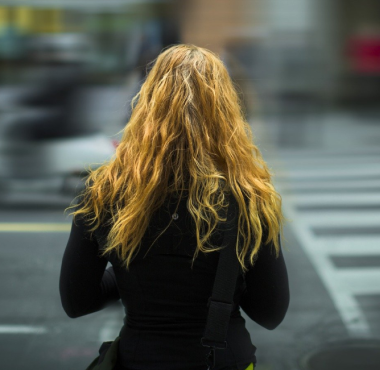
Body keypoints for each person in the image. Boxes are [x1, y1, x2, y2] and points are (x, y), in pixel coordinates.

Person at [59, 44, 290, 370]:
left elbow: (77, 300)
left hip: (140, 360)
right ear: (226, 111)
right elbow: (270, 313)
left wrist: (132, 274)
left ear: (146, 103)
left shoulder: (105, 191)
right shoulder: (247, 196)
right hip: (224, 361)